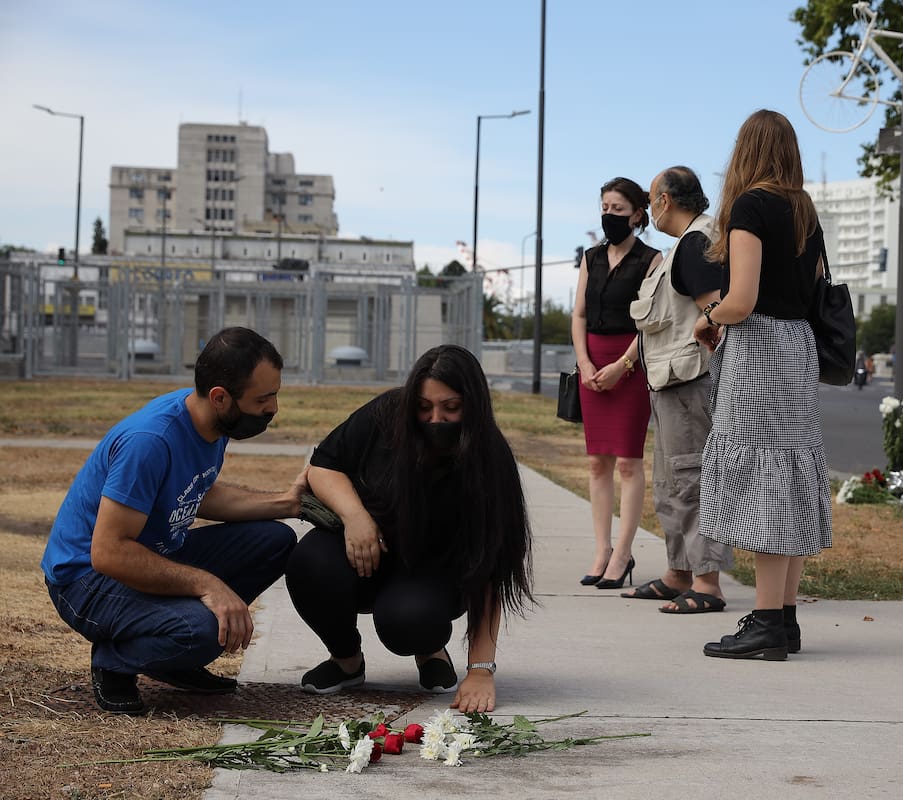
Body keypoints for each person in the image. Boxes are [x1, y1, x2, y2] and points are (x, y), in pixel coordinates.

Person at [42, 327, 306, 714]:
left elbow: (197, 492)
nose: (273, 409)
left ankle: (175, 661)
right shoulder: (150, 441)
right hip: (86, 581)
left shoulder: (211, 422)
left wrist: (287, 504)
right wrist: (208, 585)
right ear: (220, 397)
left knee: (275, 541)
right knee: (202, 630)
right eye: (263, 399)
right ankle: (115, 661)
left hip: (149, 556)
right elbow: (108, 553)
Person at [284, 345, 534, 713]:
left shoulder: (490, 462)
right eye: (423, 407)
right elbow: (323, 466)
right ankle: (346, 660)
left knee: (406, 620)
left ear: (474, 405)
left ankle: (430, 649)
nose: (435, 418)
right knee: (309, 562)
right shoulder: (386, 413)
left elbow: (490, 572)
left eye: (451, 408)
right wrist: (357, 518)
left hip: (431, 577)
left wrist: (481, 670)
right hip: (366, 556)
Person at [693, 109, 833, 661]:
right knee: (788, 472)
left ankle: (769, 622)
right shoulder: (804, 209)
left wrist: (710, 318)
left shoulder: (751, 206)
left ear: (746, 151)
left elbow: (744, 297)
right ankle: (786, 616)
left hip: (760, 351)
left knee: (763, 480)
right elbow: (815, 283)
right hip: (799, 348)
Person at [622, 166, 733, 614]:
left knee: (692, 478)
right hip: (671, 383)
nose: (649, 208)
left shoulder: (696, 245)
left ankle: (707, 582)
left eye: (650, 199)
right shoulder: (684, 246)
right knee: (671, 481)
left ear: (666, 200)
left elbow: (719, 314)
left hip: (691, 383)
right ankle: (678, 573)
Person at [571, 177, 661, 590]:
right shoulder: (591, 257)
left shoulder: (653, 260)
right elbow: (579, 316)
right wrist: (584, 363)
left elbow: (652, 324)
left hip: (631, 365)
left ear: (638, 215)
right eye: (605, 209)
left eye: (618, 210)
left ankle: (624, 553)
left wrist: (622, 366)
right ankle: (602, 549)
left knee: (628, 462)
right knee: (596, 462)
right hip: (592, 363)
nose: (609, 216)